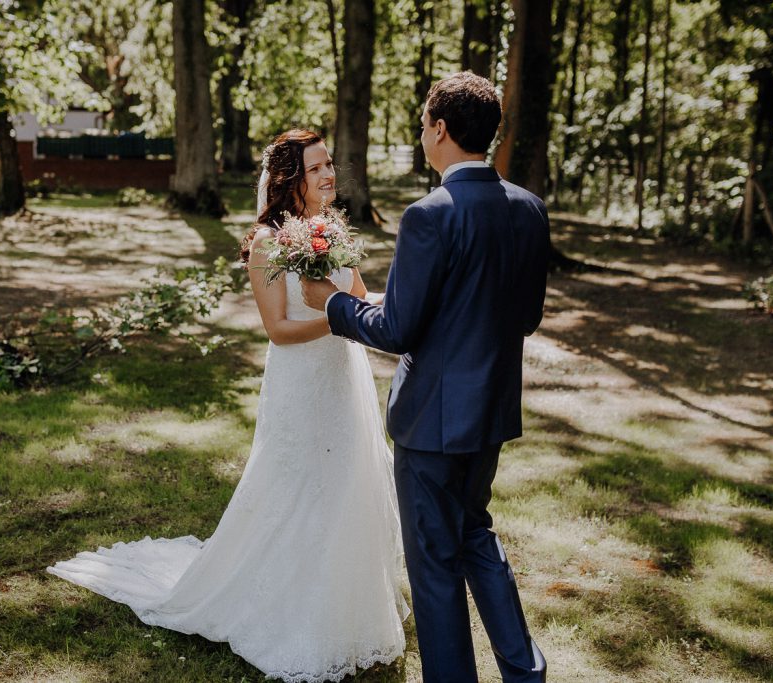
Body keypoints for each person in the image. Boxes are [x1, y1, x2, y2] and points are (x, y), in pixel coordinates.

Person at [48, 129, 408, 682]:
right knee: (296, 487)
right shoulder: (268, 242)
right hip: (299, 382)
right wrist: (336, 318)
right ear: (290, 179)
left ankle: (344, 608)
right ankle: (283, 607)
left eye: (330, 164)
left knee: (344, 485)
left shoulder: (332, 229)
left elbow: (358, 299)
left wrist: (399, 309)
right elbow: (279, 329)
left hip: (342, 379)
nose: (329, 174)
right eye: (316, 169)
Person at [302, 72, 550, 683]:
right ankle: (525, 672)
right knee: (474, 537)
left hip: (431, 426)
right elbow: (526, 316)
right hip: (491, 415)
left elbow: (396, 330)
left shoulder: (429, 215)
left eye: (421, 124)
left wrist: (331, 303)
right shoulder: (528, 208)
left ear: (440, 128)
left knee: (437, 567)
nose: (420, 134)